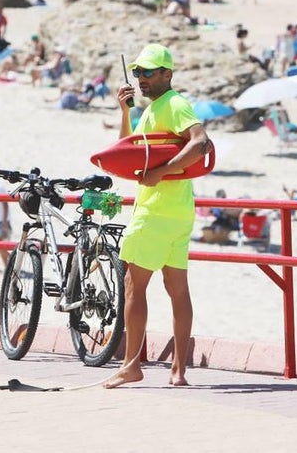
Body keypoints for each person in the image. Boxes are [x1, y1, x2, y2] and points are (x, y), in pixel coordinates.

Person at [105, 44, 210, 389]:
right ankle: (178, 371)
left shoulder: (174, 104)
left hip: (154, 212)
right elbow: (128, 152)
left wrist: (161, 172)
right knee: (177, 289)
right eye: (137, 73)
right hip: (178, 212)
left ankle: (131, 365)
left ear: (168, 73)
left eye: (148, 72)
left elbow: (200, 142)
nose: (141, 79)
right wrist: (125, 112)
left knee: (135, 285)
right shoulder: (153, 111)